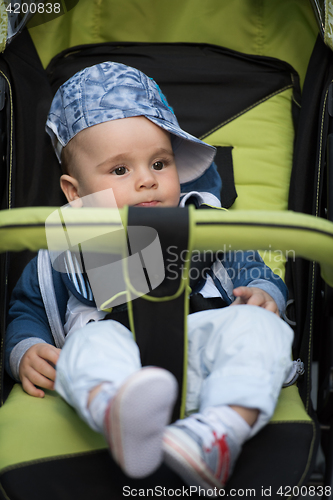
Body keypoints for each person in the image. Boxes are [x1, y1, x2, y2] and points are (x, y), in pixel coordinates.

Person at [5, 62, 294, 491]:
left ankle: (219, 432)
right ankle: (116, 414)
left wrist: (266, 295)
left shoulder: (208, 224)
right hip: (118, 372)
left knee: (261, 328)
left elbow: (255, 270)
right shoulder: (65, 244)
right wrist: (25, 348)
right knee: (88, 341)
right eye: (120, 170)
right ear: (74, 192)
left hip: (205, 356)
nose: (146, 181)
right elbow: (27, 305)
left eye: (160, 163)